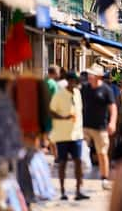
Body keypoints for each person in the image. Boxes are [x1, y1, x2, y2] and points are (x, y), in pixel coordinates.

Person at [49, 71, 89, 201]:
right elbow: (51, 111)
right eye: (72, 81)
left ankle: (78, 190)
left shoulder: (78, 94)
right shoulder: (59, 95)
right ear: (68, 81)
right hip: (62, 134)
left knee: (78, 162)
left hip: (76, 134)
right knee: (63, 162)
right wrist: (63, 117)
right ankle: (62, 191)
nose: (74, 84)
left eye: (75, 82)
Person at [81, 63, 117, 189]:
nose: (90, 77)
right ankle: (79, 179)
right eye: (90, 74)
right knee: (81, 152)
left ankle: (104, 179)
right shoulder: (84, 88)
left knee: (102, 153)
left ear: (99, 77)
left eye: (92, 75)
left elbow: (113, 108)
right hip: (85, 126)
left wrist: (112, 123)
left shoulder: (106, 90)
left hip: (101, 127)